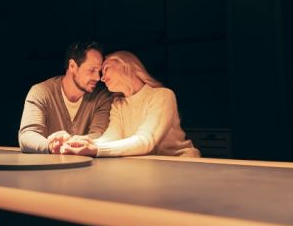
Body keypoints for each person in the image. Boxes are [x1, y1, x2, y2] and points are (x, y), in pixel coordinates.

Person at [60, 51, 200, 157]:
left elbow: (146, 141)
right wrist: (80, 142)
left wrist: (95, 149)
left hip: (179, 162)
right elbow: (112, 137)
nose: (102, 78)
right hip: (148, 164)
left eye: (106, 69)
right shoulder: (118, 104)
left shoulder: (162, 96)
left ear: (125, 65)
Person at [18, 41, 113, 153]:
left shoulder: (102, 96)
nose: (98, 77)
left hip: (86, 167)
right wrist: (51, 145)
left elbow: (99, 135)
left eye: (99, 71)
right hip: (47, 167)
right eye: (92, 70)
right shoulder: (41, 92)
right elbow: (28, 135)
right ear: (72, 66)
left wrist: (69, 143)